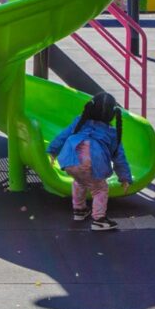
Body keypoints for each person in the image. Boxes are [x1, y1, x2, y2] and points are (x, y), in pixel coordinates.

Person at [47, 92, 133, 231]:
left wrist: (52, 151)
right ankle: (99, 219)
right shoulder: (112, 132)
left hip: (70, 160)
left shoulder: (79, 121)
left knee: (80, 181)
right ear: (112, 114)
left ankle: (79, 210)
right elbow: (119, 157)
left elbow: (63, 135)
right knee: (100, 188)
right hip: (91, 163)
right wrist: (125, 178)